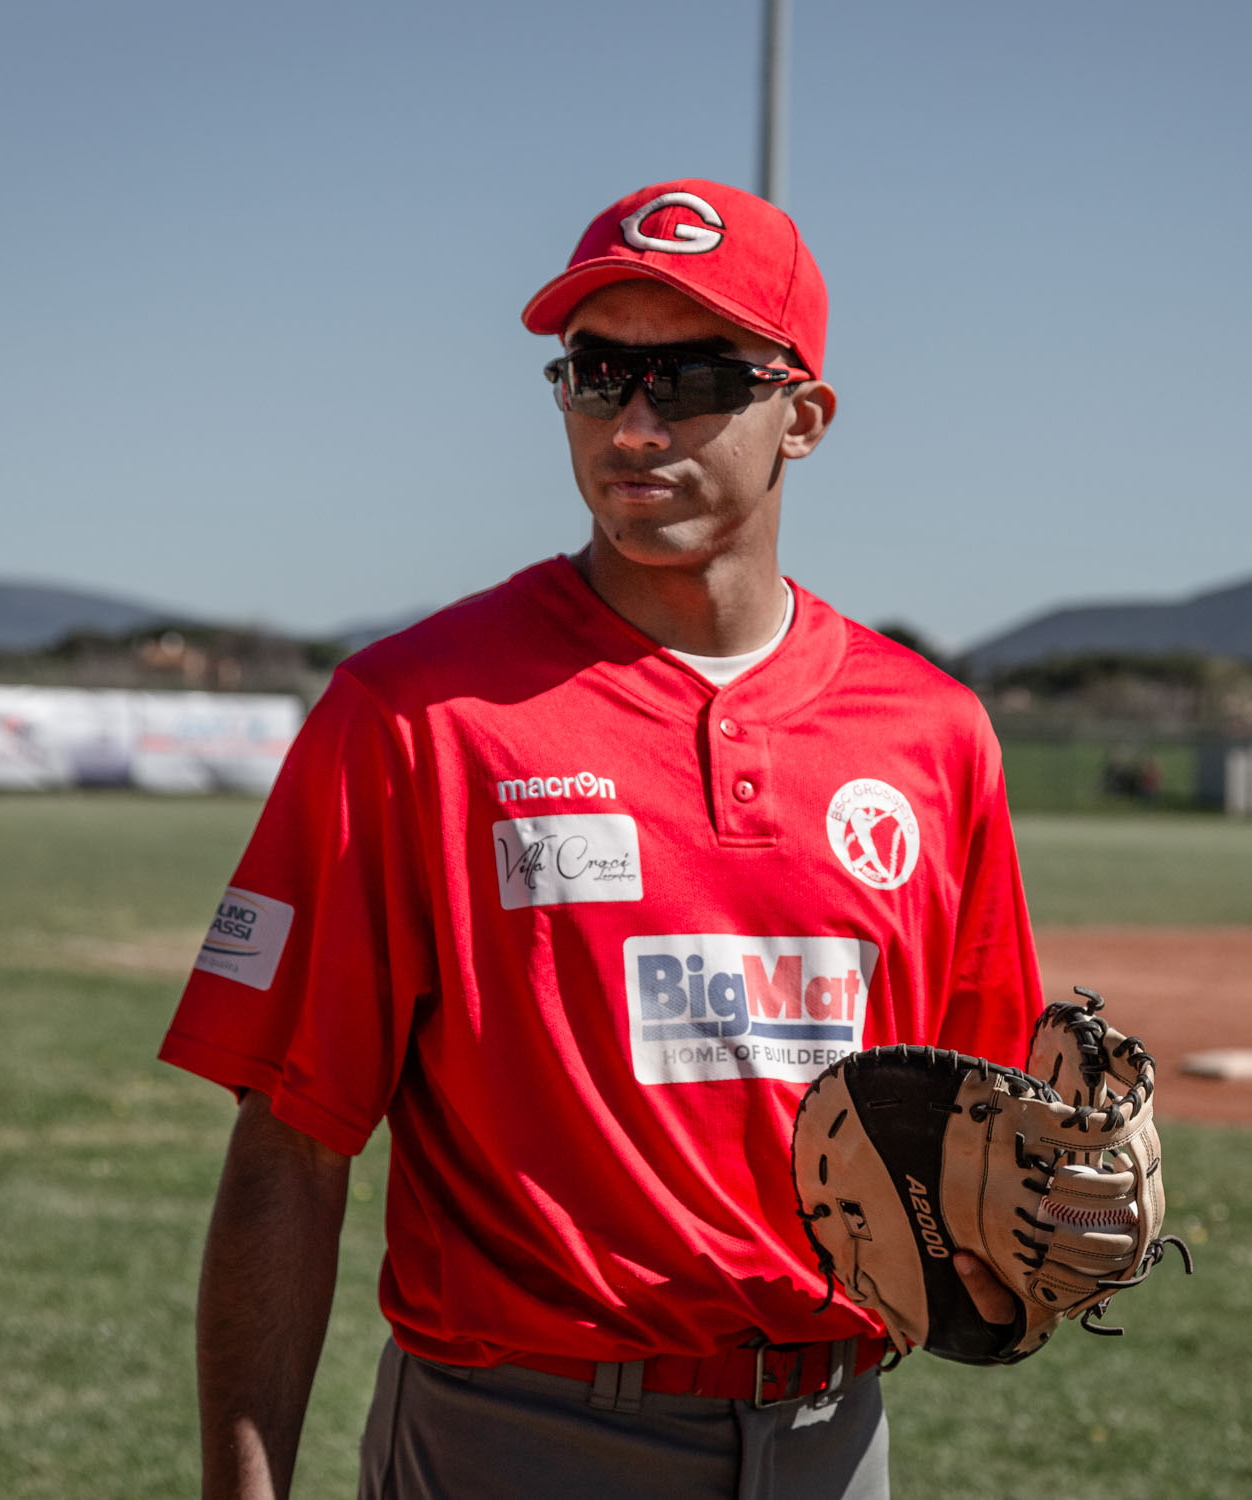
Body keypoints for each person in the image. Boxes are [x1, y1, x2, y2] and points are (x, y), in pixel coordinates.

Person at [160, 177, 1045, 1500]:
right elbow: (290, 1143)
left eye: (691, 378)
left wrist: (1031, 1239)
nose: (635, 423)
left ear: (801, 416)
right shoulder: (414, 713)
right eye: (596, 373)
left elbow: (972, 1133)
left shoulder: (931, 733)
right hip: (516, 1435)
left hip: (834, 1436)